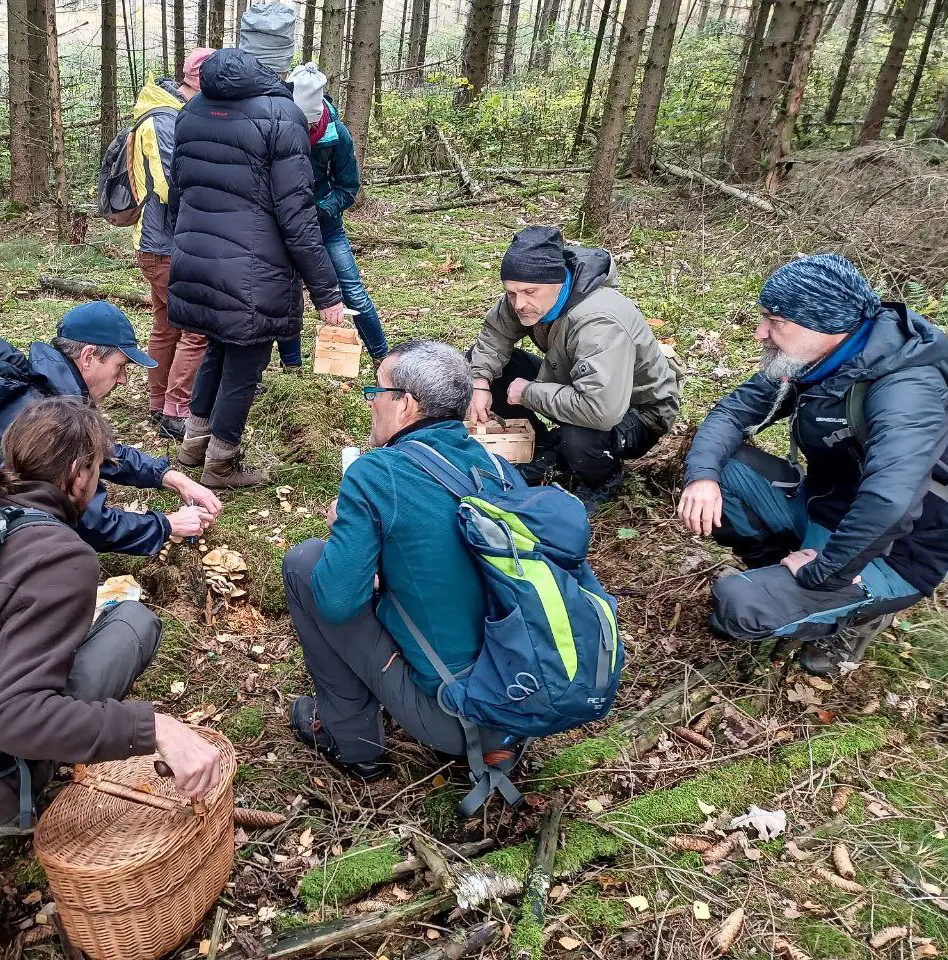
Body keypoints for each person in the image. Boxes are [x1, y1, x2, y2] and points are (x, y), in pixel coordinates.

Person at [0, 397, 222, 858]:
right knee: (133, 621)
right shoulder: (61, 556)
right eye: (97, 471)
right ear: (76, 475)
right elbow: (11, 718)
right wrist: (156, 728)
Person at [679, 254, 948, 677]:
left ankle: (849, 614)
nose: (761, 333)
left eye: (775, 321)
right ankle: (782, 576)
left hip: (895, 551)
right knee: (723, 472)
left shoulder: (907, 389)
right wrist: (702, 477)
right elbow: (730, 414)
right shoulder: (814, 359)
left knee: (739, 605)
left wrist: (822, 574)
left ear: (826, 324)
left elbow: (890, 502)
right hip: (827, 509)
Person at [283, 341, 518, 780]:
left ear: (406, 405)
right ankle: (499, 746)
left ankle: (351, 741)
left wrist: (343, 533)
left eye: (377, 393)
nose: (371, 404)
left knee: (305, 563)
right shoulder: (497, 467)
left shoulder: (376, 475)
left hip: (456, 714)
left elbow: (337, 603)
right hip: (521, 692)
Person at [168, 5, 344, 489]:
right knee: (244, 366)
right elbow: (297, 213)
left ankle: (192, 446)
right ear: (282, 56)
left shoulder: (192, 108)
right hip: (252, 269)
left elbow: (180, 189)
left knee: (217, 353)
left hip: (197, 258)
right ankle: (221, 465)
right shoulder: (280, 114)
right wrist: (326, 292)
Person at [0, 301, 221, 554]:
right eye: (120, 366)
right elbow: (87, 523)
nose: (123, 380)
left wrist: (168, 477)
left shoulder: (50, 389)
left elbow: (98, 450)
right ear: (89, 356)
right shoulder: (43, 418)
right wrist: (166, 525)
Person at [467, 225, 681, 512]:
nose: (520, 303)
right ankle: (543, 449)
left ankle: (601, 477)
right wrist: (479, 382)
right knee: (495, 368)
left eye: (529, 292)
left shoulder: (599, 322)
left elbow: (601, 410)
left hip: (638, 409)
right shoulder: (528, 294)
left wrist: (529, 393)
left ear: (558, 281)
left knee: (580, 435)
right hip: (580, 382)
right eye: (512, 292)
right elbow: (495, 335)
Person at [127, 47, 215, 441]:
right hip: (166, 245)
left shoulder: (169, 113)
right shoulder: (164, 121)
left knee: (166, 326)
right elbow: (170, 187)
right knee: (196, 329)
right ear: (197, 82)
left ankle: (158, 403)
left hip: (162, 244)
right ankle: (175, 409)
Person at [276, 64, 388, 371]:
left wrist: (321, 209)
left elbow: (348, 186)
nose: (307, 132)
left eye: (310, 127)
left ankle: (382, 357)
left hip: (325, 226)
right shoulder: (277, 124)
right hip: (283, 227)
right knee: (288, 295)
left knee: (352, 290)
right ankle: (291, 367)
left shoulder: (336, 134)